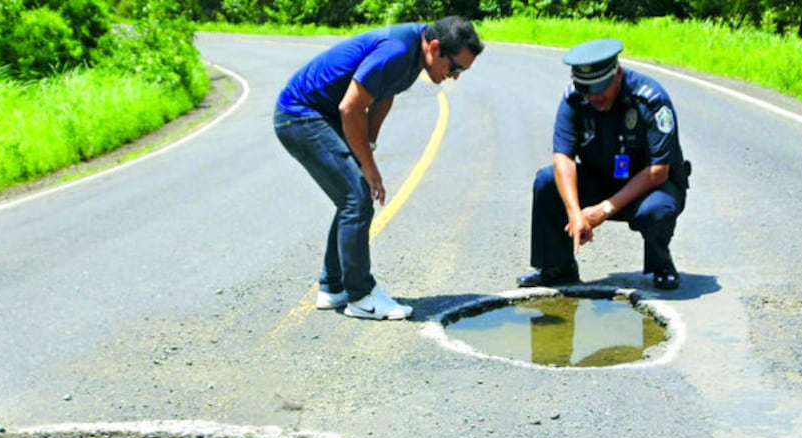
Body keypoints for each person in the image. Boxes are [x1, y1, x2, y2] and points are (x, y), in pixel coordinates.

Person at [274, 17, 484, 320]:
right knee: (356, 196)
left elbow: (383, 97)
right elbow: (351, 107)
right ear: (435, 48)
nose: (455, 77)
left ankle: (333, 287)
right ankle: (360, 296)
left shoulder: (416, 55)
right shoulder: (397, 51)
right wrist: (368, 168)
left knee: (352, 194)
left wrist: (367, 149)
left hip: (322, 115)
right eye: (455, 68)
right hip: (299, 115)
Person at [517, 38, 690, 291]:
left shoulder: (650, 99)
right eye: (587, 89)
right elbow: (562, 157)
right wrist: (576, 212)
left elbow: (658, 171)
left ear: (617, 74)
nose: (594, 96)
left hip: (649, 187)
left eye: (600, 88)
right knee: (546, 180)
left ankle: (661, 264)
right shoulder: (575, 99)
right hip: (601, 179)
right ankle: (557, 267)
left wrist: (603, 210)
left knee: (656, 211)